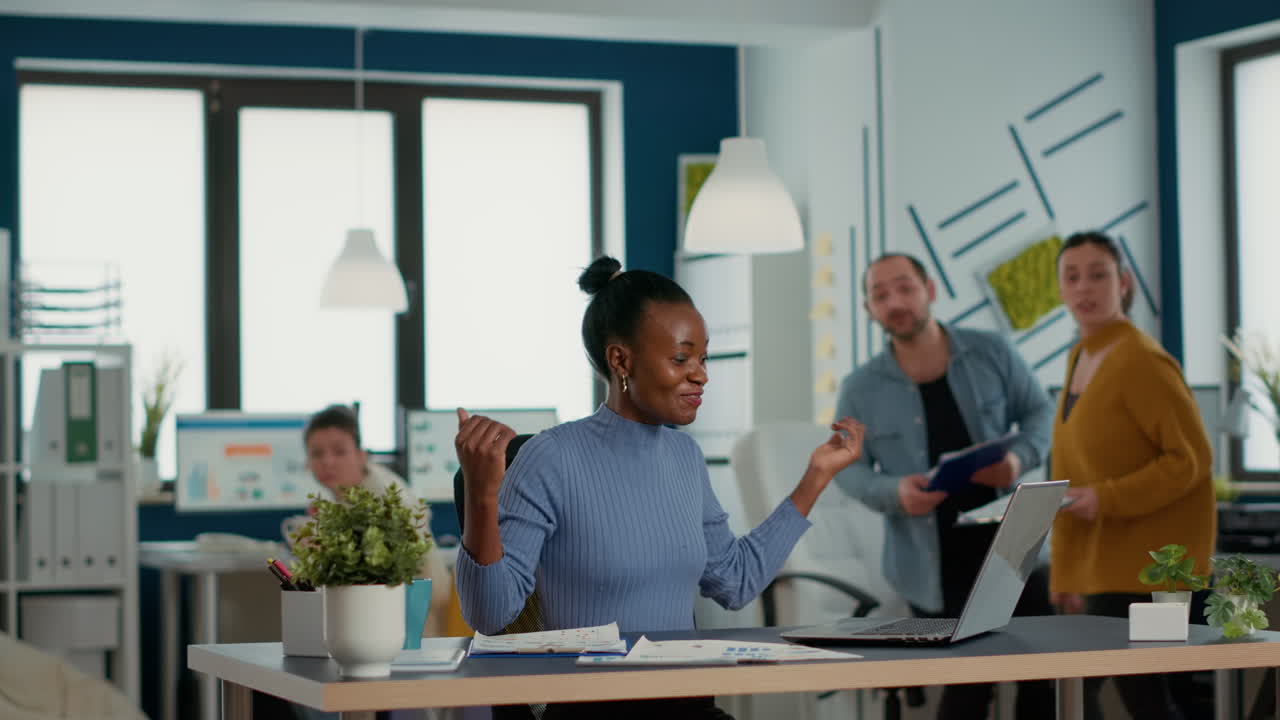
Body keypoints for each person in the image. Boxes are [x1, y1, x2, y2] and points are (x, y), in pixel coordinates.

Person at [453, 256, 865, 720]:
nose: (701, 374)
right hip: (593, 710)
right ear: (621, 359)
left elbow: (734, 580)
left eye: (703, 358)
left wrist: (816, 476)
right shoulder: (551, 457)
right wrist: (482, 493)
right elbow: (490, 613)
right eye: (681, 358)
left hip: (684, 704)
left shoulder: (684, 458)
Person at [834, 252, 1055, 720]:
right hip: (932, 562)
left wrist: (1018, 458)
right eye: (880, 294)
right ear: (868, 309)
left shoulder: (992, 351)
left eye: (904, 287)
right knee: (966, 692)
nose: (894, 301)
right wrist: (896, 492)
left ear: (929, 290)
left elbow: (1041, 413)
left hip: (1014, 546)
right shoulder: (860, 387)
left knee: (1043, 681)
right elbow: (847, 470)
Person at [1049, 231, 1216, 720]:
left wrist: (1106, 498)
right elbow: (1069, 473)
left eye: (1098, 275)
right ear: (1060, 290)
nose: (1085, 288)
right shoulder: (1080, 356)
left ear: (1123, 283)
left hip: (1150, 569)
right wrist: (1065, 571)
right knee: (1108, 695)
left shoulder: (1141, 359)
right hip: (1102, 567)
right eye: (1072, 277)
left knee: (1129, 697)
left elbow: (1190, 460)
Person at [302, 404, 451, 639]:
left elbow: (431, 584)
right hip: (370, 625)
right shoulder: (343, 497)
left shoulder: (385, 497)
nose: (327, 462)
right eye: (317, 454)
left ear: (362, 455)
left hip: (403, 630)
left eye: (339, 452)